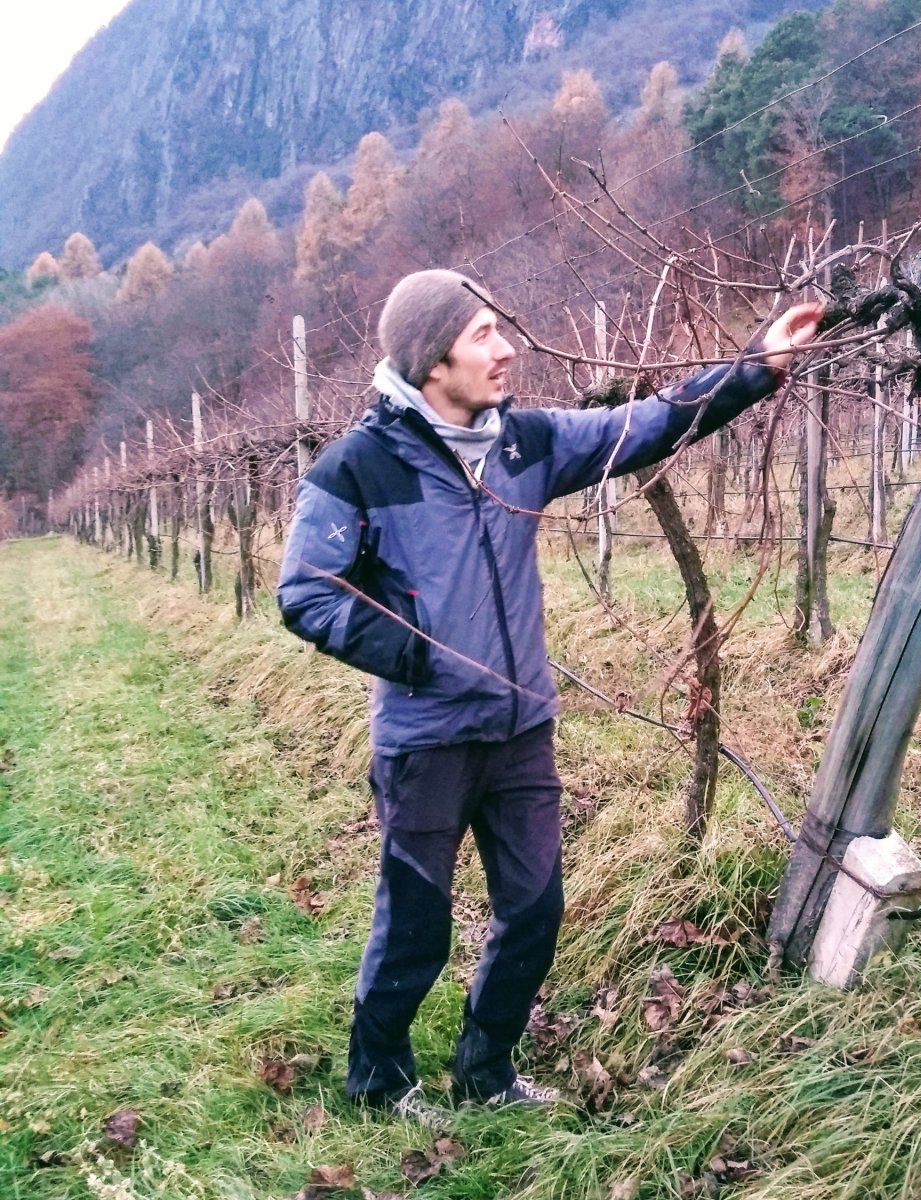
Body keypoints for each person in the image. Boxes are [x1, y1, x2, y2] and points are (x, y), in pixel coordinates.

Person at [276, 269, 822, 1123]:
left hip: (522, 728)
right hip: (426, 740)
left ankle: (485, 1071)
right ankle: (377, 1081)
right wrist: (419, 656)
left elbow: (646, 423)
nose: (506, 349)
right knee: (416, 925)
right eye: (483, 333)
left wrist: (758, 365)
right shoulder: (359, 468)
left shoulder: (524, 444)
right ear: (432, 362)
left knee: (533, 908)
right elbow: (307, 591)